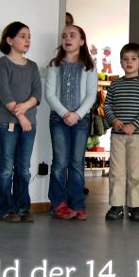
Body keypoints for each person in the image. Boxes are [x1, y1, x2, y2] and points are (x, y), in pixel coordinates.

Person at [45, 24, 97, 219]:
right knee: (60, 162)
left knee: (77, 163)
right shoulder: (54, 65)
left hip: (81, 121)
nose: (67, 39)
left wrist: (77, 115)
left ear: (82, 41)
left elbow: (91, 95)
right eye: (64, 36)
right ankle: (58, 204)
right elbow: (49, 94)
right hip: (58, 120)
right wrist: (65, 113)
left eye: (72, 35)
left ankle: (77, 204)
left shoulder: (89, 66)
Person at [0, 21, 41, 223]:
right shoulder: (2, 64)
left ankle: (23, 208)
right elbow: (5, 95)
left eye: (29, 37)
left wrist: (25, 107)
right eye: (22, 36)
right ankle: (6, 209)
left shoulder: (32, 66)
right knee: (6, 167)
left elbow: (37, 94)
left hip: (29, 124)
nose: (27, 40)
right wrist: (20, 116)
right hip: (7, 124)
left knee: (23, 168)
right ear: (9, 40)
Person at [103, 43, 139, 222]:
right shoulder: (115, 85)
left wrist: (134, 125)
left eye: (133, 59)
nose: (129, 62)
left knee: (136, 173)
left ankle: (135, 207)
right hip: (118, 137)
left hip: (138, 137)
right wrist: (114, 120)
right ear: (121, 62)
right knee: (116, 172)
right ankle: (116, 206)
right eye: (125, 59)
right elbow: (107, 105)